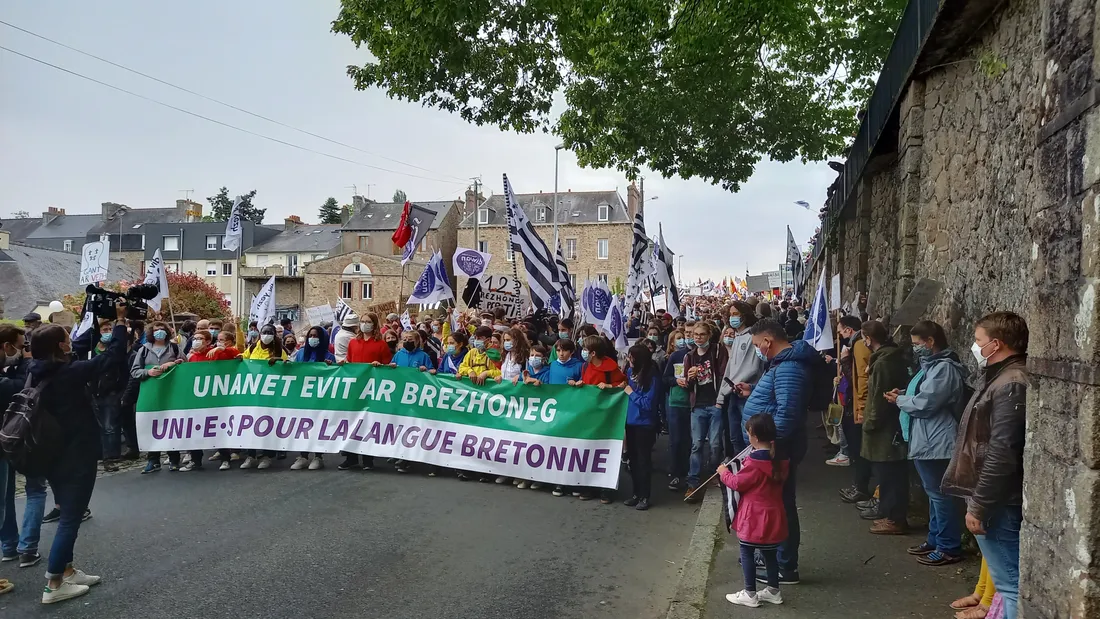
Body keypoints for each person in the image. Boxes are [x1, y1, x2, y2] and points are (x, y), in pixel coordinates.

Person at [27, 304, 128, 604]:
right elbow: (113, 356)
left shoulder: (38, 370)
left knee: (67, 511)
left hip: (51, 454)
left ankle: (68, 571)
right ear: (60, 345)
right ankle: (54, 583)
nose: (72, 341)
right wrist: (120, 323)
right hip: (76, 453)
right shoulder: (70, 373)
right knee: (71, 517)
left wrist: (95, 319)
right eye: (66, 339)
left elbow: (79, 345)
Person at [942, 312, 1028, 619]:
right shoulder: (1001, 378)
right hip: (992, 496)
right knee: (1008, 581)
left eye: (978, 341)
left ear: (996, 344)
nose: (974, 346)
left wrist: (980, 505)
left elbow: (1002, 450)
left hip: (997, 501)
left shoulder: (1010, 383)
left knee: (1011, 584)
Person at [738, 319, 819, 585]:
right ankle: (773, 557)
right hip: (773, 446)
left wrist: (769, 447)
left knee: (780, 506)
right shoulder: (784, 365)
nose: (758, 350)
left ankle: (785, 566)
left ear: (768, 341)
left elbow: (787, 412)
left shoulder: (790, 368)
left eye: (757, 345)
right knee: (774, 503)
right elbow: (778, 400)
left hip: (777, 450)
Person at [885, 320, 966, 564]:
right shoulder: (929, 366)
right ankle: (935, 538)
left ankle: (948, 545)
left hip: (937, 441)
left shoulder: (944, 369)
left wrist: (900, 401)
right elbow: (921, 396)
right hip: (928, 438)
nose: (915, 348)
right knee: (934, 494)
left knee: (941, 495)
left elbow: (926, 404)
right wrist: (904, 395)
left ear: (930, 342)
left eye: (918, 343)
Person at [720, 413, 788, 608]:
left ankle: (750, 593)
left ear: (755, 437)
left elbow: (737, 483)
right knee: (770, 554)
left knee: (747, 551)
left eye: (749, 433)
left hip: (754, 516)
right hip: (774, 513)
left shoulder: (755, 463)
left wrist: (723, 473)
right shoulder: (780, 459)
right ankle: (773, 590)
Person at [859, 320, 911, 535]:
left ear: (869, 339)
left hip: (885, 428)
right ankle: (891, 515)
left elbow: (879, 397)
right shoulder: (888, 359)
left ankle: (895, 518)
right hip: (890, 424)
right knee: (888, 475)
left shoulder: (883, 363)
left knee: (890, 475)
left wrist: (870, 422)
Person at [683, 321, 729, 500]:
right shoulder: (690, 356)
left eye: (702, 334)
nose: (698, 338)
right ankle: (693, 482)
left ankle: (713, 474)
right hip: (698, 405)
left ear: (709, 335)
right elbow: (688, 386)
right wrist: (690, 378)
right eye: (695, 335)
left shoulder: (718, 351)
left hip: (714, 402)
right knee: (697, 444)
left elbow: (725, 374)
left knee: (716, 443)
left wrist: (720, 400)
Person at [134, 321, 188, 474]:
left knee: (170, 424)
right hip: (151, 393)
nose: (159, 332)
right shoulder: (144, 350)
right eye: (156, 330)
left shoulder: (174, 347)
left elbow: (185, 364)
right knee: (152, 425)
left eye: (162, 329)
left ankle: (174, 458)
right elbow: (135, 371)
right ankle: (153, 459)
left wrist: (174, 363)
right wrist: (148, 373)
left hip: (170, 392)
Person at [577, 335, 626, 503]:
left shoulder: (610, 368)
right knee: (587, 449)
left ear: (593, 353)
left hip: (606, 415)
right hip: (589, 414)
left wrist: (609, 386)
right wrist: (579, 384)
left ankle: (606, 489)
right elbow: (586, 384)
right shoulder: (585, 366)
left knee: (604, 450)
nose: (582, 352)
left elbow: (624, 386)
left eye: (585, 349)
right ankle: (588, 486)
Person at [717, 301, 766, 458]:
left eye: (735, 314)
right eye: (730, 315)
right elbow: (731, 367)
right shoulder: (737, 336)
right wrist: (723, 392)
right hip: (733, 392)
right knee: (734, 436)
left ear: (744, 315)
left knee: (749, 436)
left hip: (747, 392)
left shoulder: (752, 335)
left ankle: (752, 467)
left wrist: (733, 383)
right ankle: (741, 468)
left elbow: (753, 367)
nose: (732, 318)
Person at [239, 323, 287, 470]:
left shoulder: (279, 349)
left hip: (270, 395)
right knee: (250, 423)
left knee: (267, 425)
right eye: (264, 332)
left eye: (269, 332)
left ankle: (267, 456)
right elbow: (245, 357)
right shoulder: (253, 347)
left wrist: (278, 360)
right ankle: (251, 455)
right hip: (253, 392)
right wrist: (239, 357)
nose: (266, 335)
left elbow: (288, 365)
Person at [838, 315, 873, 503]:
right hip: (856, 404)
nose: (840, 335)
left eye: (841, 331)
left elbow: (860, 379)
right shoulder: (858, 344)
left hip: (857, 407)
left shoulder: (858, 346)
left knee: (857, 449)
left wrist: (844, 362)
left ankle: (861, 487)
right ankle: (859, 486)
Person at [291, 326, 335, 471]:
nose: (312, 338)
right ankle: (303, 456)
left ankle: (318, 456)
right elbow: (294, 371)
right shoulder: (301, 354)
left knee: (317, 426)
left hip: (320, 398)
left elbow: (335, 376)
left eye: (316, 336)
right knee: (302, 426)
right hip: (303, 397)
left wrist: (330, 367)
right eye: (311, 335)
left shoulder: (328, 356)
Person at [88, 320, 129, 473]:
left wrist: (121, 390)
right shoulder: (90, 351)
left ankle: (111, 457)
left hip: (111, 392)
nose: (107, 332)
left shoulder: (115, 352)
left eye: (109, 329)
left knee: (110, 426)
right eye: (104, 329)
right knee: (97, 427)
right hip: (93, 393)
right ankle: (100, 454)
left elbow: (124, 371)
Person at [623, 343, 659, 510]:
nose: (629, 360)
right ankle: (636, 493)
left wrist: (631, 393)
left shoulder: (652, 376)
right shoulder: (630, 373)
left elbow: (648, 403)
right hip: (630, 423)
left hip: (645, 424)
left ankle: (645, 495)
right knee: (633, 461)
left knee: (643, 461)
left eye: (632, 357)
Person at [662, 329, 691, 491]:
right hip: (676, 402)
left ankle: (689, 472)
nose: (684, 340)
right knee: (676, 440)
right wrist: (675, 381)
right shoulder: (675, 356)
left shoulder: (697, 355)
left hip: (694, 403)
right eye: (681, 337)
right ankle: (675, 472)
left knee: (691, 440)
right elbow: (665, 379)